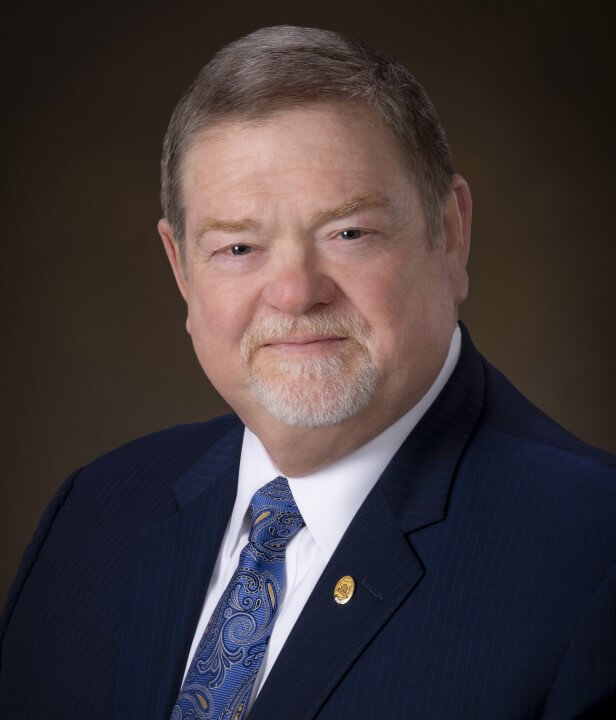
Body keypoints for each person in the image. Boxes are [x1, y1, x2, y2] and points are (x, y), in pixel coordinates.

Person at [0, 24, 614, 720]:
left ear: (449, 233)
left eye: (348, 233)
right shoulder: (92, 512)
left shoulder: (594, 555)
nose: (295, 294)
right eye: (238, 247)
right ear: (181, 270)